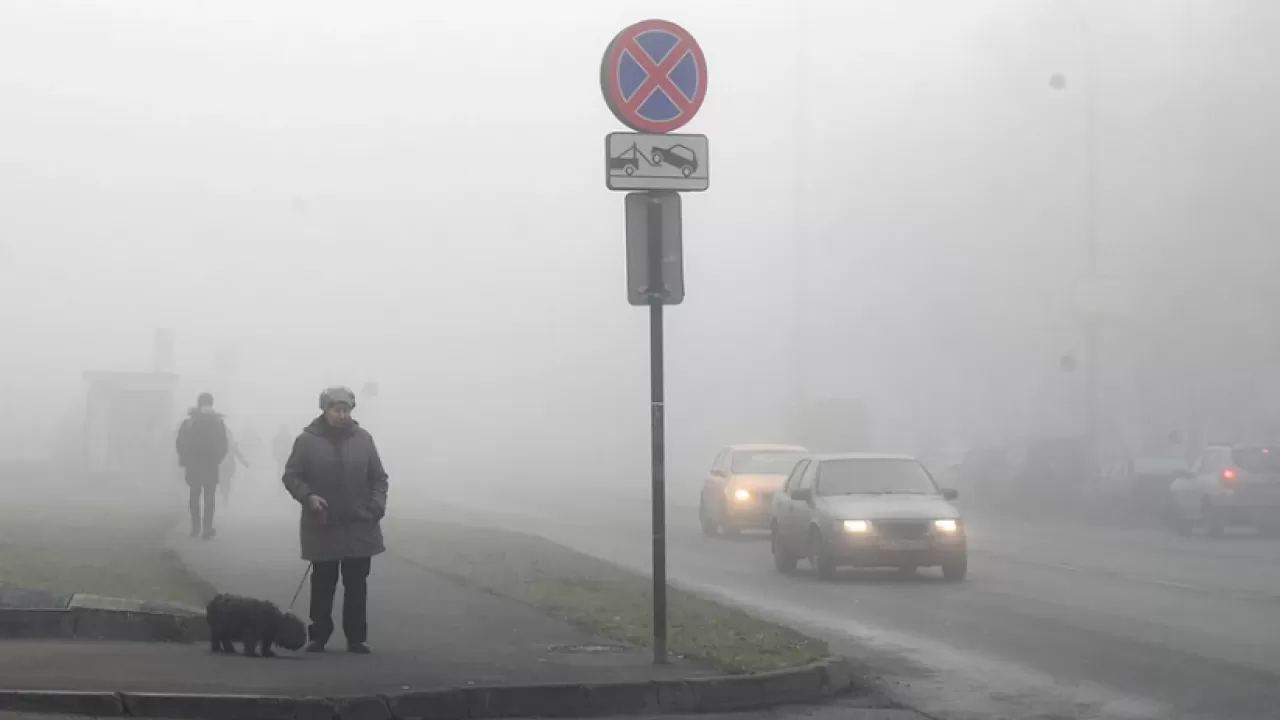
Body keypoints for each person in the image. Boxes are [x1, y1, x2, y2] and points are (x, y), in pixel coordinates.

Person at [281, 387, 388, 654]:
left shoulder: (364, 439)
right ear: (325, 410)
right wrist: (309, 497)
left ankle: (356, 638)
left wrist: (376, 507)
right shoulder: (306, 441)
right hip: (323, 524)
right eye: (337, 410)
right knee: (323, 583)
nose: (342, 415)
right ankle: (318, 636)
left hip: (359, 524)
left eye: (347, 410)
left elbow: (379, 478)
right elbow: (292, 476)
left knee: (356, 585)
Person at [176, 392, 229, 540]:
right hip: (211, 466)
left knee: (194, 496)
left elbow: (180, 442)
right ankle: (206, 528)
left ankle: (195, 528)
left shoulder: (190, 422)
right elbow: (224, 444)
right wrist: (217, 459)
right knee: (209, 498)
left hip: (193, 466)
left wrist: (186, 460)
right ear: (212, 404)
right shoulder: (217, 422)